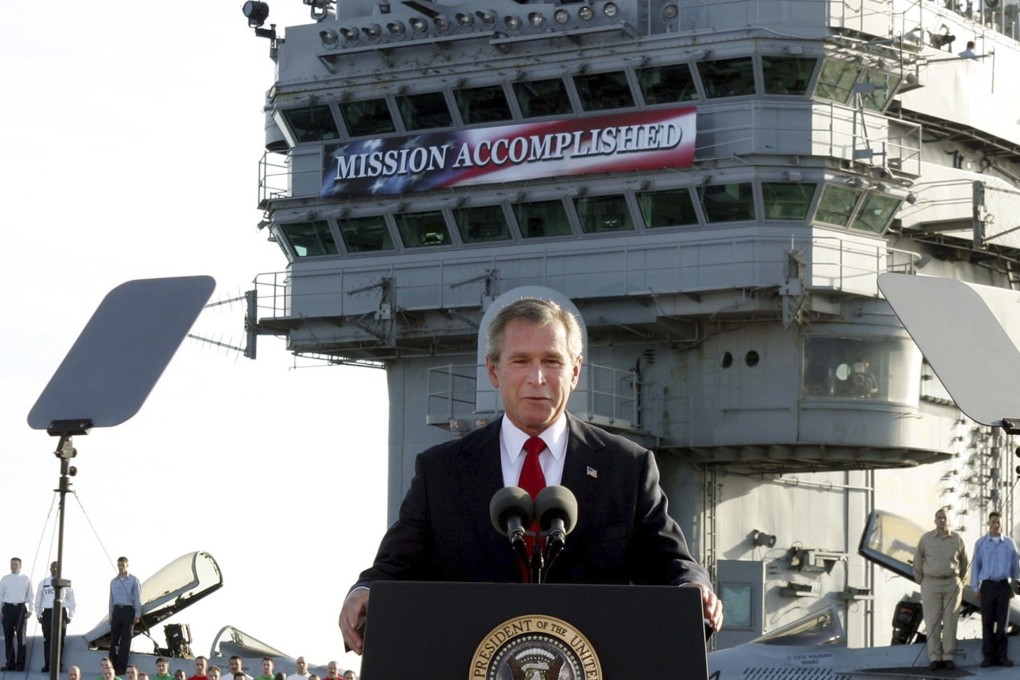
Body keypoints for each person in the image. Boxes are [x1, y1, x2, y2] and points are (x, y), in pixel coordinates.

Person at [338, 296, 723, 654]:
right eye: (521, 360)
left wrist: (695, 587)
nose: (537, 377)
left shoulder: (627, 467)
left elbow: (672, 562)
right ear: (494, 370)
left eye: (552, 361)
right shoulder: (441, 470)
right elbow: (394, 568)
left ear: (575, 371)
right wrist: (365, 589)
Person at [913, 507, 968, 671]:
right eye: (939, 517)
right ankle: (935, 658)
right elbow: (917, 559)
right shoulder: (926, 539)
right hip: (931, 584)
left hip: (952, 584)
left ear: (948, 520)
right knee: (932, 621)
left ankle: (949, 657)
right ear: (935, 520)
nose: (942, 520)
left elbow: (964, 562)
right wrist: (921, 580)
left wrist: (960, 581)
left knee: (951, 621)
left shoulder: (957, 539)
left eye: (944, 517)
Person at [971, 510, 1019, 668]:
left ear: (1001, 524)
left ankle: (1002, 657)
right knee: (987, 622)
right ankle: (988, 657)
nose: (995, 525)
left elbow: (1015, 566)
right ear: (988, 524)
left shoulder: (1009, 543)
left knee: (1002, 624)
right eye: (993, 522)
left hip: (1003, 586)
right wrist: (975, 587)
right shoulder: (980, 543)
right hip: (987, 586)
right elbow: (976, 566)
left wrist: (1016, 583)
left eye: (998, 522)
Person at [37, 560, 77, 672]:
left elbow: (72, 600)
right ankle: (48, 665)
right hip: (48, 613)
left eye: (57, 567)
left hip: (61, 612)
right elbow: (39, 600)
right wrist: (38, 613)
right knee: (48, 639)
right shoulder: (43, 583)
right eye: (53, 567)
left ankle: (57, 665)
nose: (54, 569)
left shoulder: (66, 583)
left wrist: (71, 615)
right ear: (50, 569)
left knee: (60, 639)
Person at [109, 557, 142, 675]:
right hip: (117, 610)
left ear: (127, 565)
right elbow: (111, 599)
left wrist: (137, 614)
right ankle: (111, 666)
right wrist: (111, 615)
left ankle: (121, 668)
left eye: (123, 565)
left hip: (128, 610)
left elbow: (138, 598)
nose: (121, 567)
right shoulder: (114, 581)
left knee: (125, 640)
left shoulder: (134, 580)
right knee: (113, 640)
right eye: (119, 565)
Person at [0, 557, 34, 671]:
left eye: (16, 564)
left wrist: (30, 610)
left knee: (21, 638)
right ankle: (10, 664)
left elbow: (30, 595)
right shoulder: (5, 579)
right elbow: (1, 595)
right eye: (12, 564)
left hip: (20, 609)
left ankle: (20, 665)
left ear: (20, 566)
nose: (13, 566)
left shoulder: (25, 579)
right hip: (7, 609)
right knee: (8, 638)